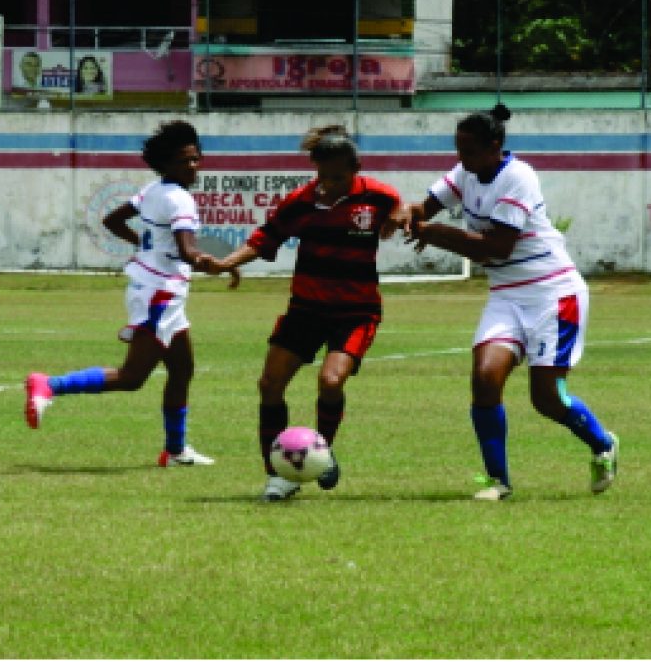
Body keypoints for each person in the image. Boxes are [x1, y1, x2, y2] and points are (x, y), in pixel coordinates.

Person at [406, 104, 619, 501]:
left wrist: (434, 233)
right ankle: (498, 482)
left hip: (552, 293)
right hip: (506, 295)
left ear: (495, 147)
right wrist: (405, 216)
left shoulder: (519, 176)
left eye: (469, 151)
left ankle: (603, 443)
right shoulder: (465, 172)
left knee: (546, 398)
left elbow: (498, 248)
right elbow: (425, 207)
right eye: (458, 150)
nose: (461, 160)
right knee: (485, 378)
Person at [199, 126, 407, 501]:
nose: (330, 185)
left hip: (355, 312)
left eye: (339, 177)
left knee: (330, 382)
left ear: (356, 168)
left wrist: (401, 216)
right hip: (306, 309)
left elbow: (400, 207)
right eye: (323, 177)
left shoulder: (377, 196)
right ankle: (277, 475)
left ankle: (321, 453)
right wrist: (227, 263)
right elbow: (265, 239)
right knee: (269, 386)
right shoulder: (302, 201)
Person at [24, 121, 238, 468]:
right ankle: (49, 385)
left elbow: (112, 220)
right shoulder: (180, 199)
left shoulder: (154, 190)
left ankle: (176, 450)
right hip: (160, 296)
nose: (194, 166)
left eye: (197, 159)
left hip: (153, 289)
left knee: (182, 370)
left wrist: (146, 248)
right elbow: (188, 252)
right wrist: (218, 264)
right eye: (186, 161)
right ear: (167, 163)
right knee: (132, 377)